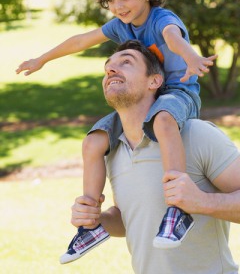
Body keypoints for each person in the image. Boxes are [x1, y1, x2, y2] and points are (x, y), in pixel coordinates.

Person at [16, 0, 217, 260]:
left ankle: (177, 210)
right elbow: (82, 39)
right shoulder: (121, 26)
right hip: (145, 98)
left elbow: (172, 38)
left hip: (177, 93)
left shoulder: (161, 19)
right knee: (94, 141)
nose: (119, 6)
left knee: (163, 120)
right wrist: (42, 59)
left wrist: (190, 56)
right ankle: (92, 224)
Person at [70, 40, 240, 274]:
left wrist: (201, 202)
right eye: (108, 67)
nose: (110, 70)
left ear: (155, 81)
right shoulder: (112, 151)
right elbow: (129, 218)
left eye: (126, 62)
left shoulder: (196, 135)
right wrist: (98, 219)